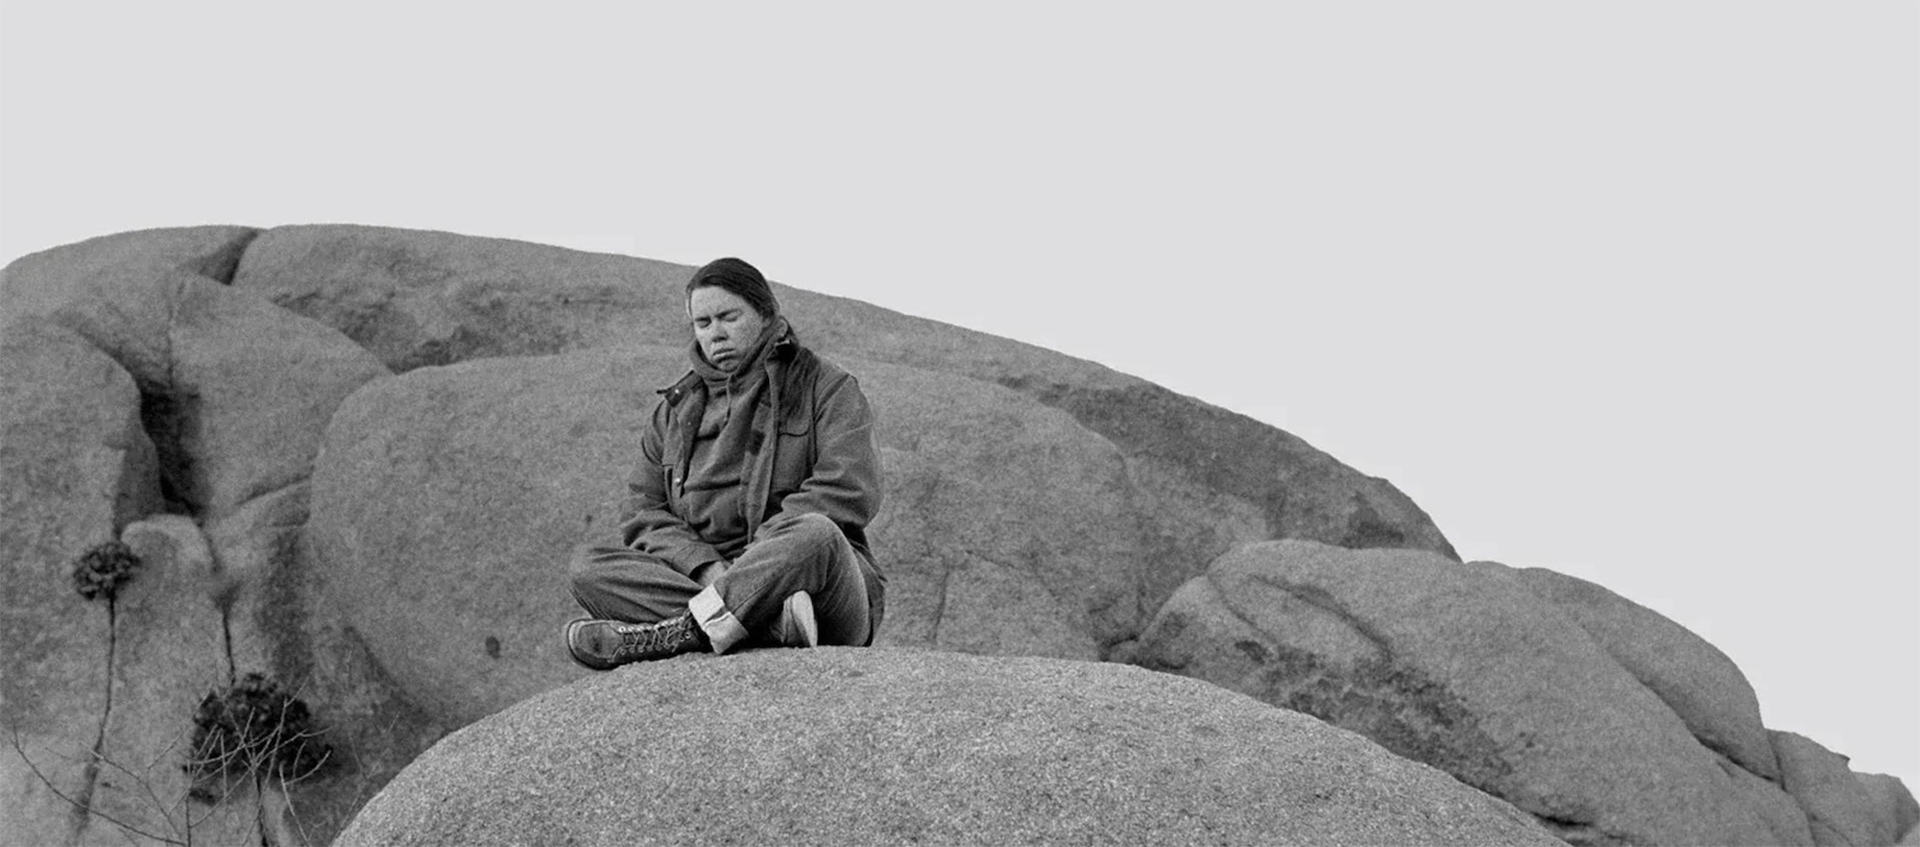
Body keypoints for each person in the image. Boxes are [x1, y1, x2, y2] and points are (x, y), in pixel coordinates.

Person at [565, 257, 885, 669]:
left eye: (728, 317)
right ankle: (760, 625)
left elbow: (850, 486)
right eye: (703, 323)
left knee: (816, 534)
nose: (716, 333)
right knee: (589, 567)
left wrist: (755, 565)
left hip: (812, 590)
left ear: (765, 312)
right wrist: (707, 569)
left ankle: (680, 631)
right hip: (711, 581)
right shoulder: (673, 411)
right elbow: (643, 511)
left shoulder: (826, 386)